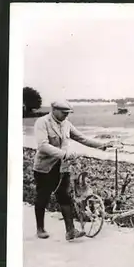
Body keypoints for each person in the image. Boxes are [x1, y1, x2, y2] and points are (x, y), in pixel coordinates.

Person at [33, 100, 116, 241]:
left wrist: (102, 145)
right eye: (64, 113)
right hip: (45, 168)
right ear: (54, 109)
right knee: (43, 196)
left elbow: (81, 138)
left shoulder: (66, 124)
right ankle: (40, 229)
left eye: (68, 113)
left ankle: (70, 231)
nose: (66, 116)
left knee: (65, 197)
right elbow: (42, 146)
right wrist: (64, 154)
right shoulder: (42, 123)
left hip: (63, 167)